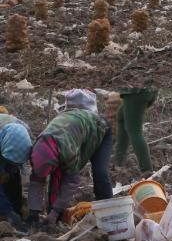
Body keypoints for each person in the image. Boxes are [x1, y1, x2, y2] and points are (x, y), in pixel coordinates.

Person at [27, 90, 113, 228]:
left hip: (100, 130)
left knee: (99, 172)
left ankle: (109, 214)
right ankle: (54, 216)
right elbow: (37, 180)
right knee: (57, 174)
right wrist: (33, 213)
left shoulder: (67, 151)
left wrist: (55, 212)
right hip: (74, 135)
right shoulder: (37, 149)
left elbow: (71, 182)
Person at [113, 88, 158, 174]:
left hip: (135, 93)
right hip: (149, 91)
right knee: (121, 115)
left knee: (134, 131)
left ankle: (147, 171)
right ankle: (118, 163)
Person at [0, 114, 32, 231]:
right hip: (5, 143)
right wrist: (7, 212)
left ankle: (15, 210)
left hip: (8, 142)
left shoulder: (24, 137)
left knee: (12, 175)